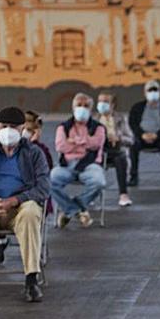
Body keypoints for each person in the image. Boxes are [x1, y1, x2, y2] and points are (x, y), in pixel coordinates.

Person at [0, 107, 49, 303]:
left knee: (31, 212)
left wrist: (14, 201)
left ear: (23, 128)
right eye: (4, 126)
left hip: (18, 209)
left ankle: (31, 279)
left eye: (13, 126)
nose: (8, 130)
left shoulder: (34, 153)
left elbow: (44, 187)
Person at [51, 93, 107, 229]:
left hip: (89, 165)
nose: (82, 108)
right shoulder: (63, 127)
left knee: (99, 182)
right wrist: (84, 143)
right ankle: (76, 210)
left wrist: (73, 141)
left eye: (86, 106)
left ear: (91, 109)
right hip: (67, 166)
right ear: (73, 107)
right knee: (49, 180)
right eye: (79, 105)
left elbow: (96, 144)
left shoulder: (99, 128)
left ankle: (74, 206)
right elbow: (61, 146)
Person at [128, 80, 160, 187]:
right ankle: (133, 176)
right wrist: (142, 134)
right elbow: (133, 123)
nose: (153, 92)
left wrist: (157, 135)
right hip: (142, 138)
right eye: (150, 90)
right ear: (145, 93)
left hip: (159, 138)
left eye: (155, 90)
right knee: (132, 144)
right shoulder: (137, 107)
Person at [94, 91, 134, 207]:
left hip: (115, 149)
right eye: (100, 101)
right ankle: (91, 195)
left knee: (121, 158)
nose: (102, 104)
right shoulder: (93, 119)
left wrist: (119, 138)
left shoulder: (121, 119)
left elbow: (131, 139)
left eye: (105, 102)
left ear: (112, 104)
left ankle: (123, 194)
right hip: (98, 150)